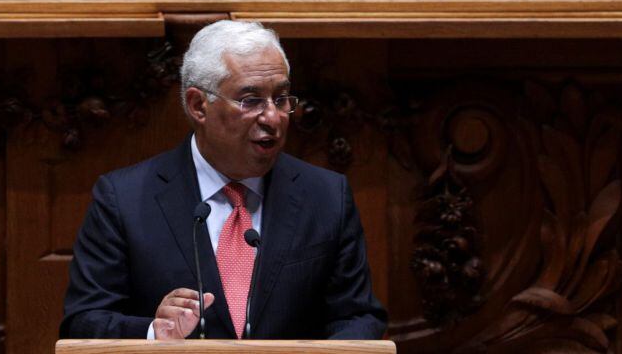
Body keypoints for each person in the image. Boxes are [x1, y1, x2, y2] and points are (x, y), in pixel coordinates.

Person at [61, 20, 387, 340]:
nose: (273, 117)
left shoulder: (327, 196)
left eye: (281, 98)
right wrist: (153, 333)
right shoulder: (124, 199)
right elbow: (84, 321)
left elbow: (357, 316)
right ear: (198, 105)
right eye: (251, 100)